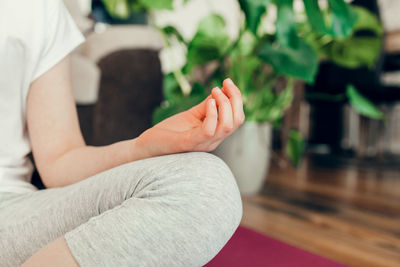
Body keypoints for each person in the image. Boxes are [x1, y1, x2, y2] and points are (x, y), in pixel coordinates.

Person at [0, 0, 245, 266]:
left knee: (206, 186)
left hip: (12, 212)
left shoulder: (39, 8)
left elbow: (60, 159)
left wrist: (145, 146)